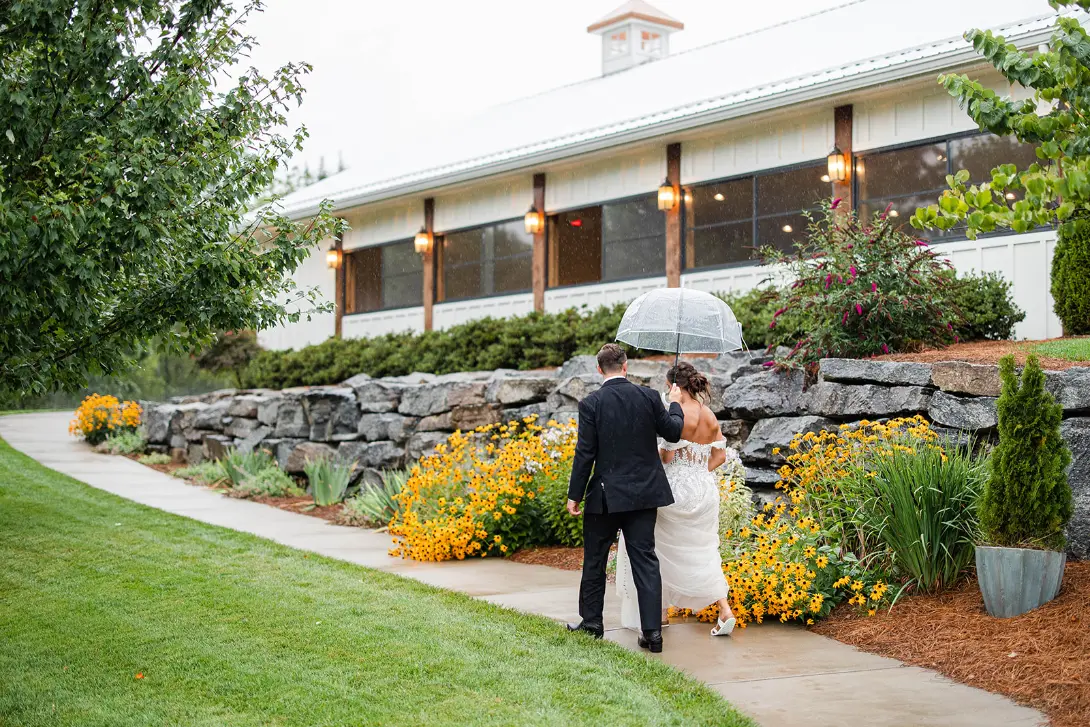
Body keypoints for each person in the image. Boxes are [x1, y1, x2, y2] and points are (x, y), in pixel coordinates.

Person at [565, 343, 685, 654]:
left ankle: (592, 623)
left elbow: (585, 454)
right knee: (645, 561)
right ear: (626, 365)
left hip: (605, 497)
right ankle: (652, 633)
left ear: (599, 369)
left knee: (595, 560)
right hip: (645, 495)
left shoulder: (591, 403)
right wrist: (675, 403)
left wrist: (574, 495)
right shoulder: (647, 396)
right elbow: (673, 432)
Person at [616, 361, 738, 637]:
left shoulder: (679, 412)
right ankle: (724, 609)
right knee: (704, 551)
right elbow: (719, 456)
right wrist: (696, 473)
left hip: (676, 490)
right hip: (704, 490)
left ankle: (659, 614)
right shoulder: (708, 414)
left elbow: (667, 456)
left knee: (655, 547)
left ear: (674, 386)